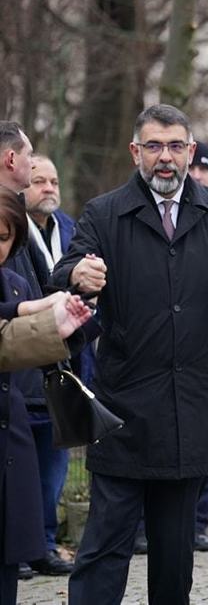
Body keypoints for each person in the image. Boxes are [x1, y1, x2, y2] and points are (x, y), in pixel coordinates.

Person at [52, 104, 208, 605]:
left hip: (193, 411)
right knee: (105, 549)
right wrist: (77, 275)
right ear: (135, 152)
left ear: (190, 151)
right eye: (153, 146)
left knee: (174, 559)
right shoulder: (105, 213)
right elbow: (64, 274)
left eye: (174, 146)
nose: (164, 158)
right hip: (125, 412)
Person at [130, 139, 208, 556]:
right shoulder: (128, 211)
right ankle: (148, 528)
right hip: (154, 357)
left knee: (204, 446)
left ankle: (198, 522)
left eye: (204, 168)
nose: (198, 174)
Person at [0, 186, 92, 605]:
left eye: (4, 238)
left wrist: (73, 323)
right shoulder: (20, 299)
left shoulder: (17, 283)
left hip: (10, 433)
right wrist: (29, 314)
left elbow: (30, 350)